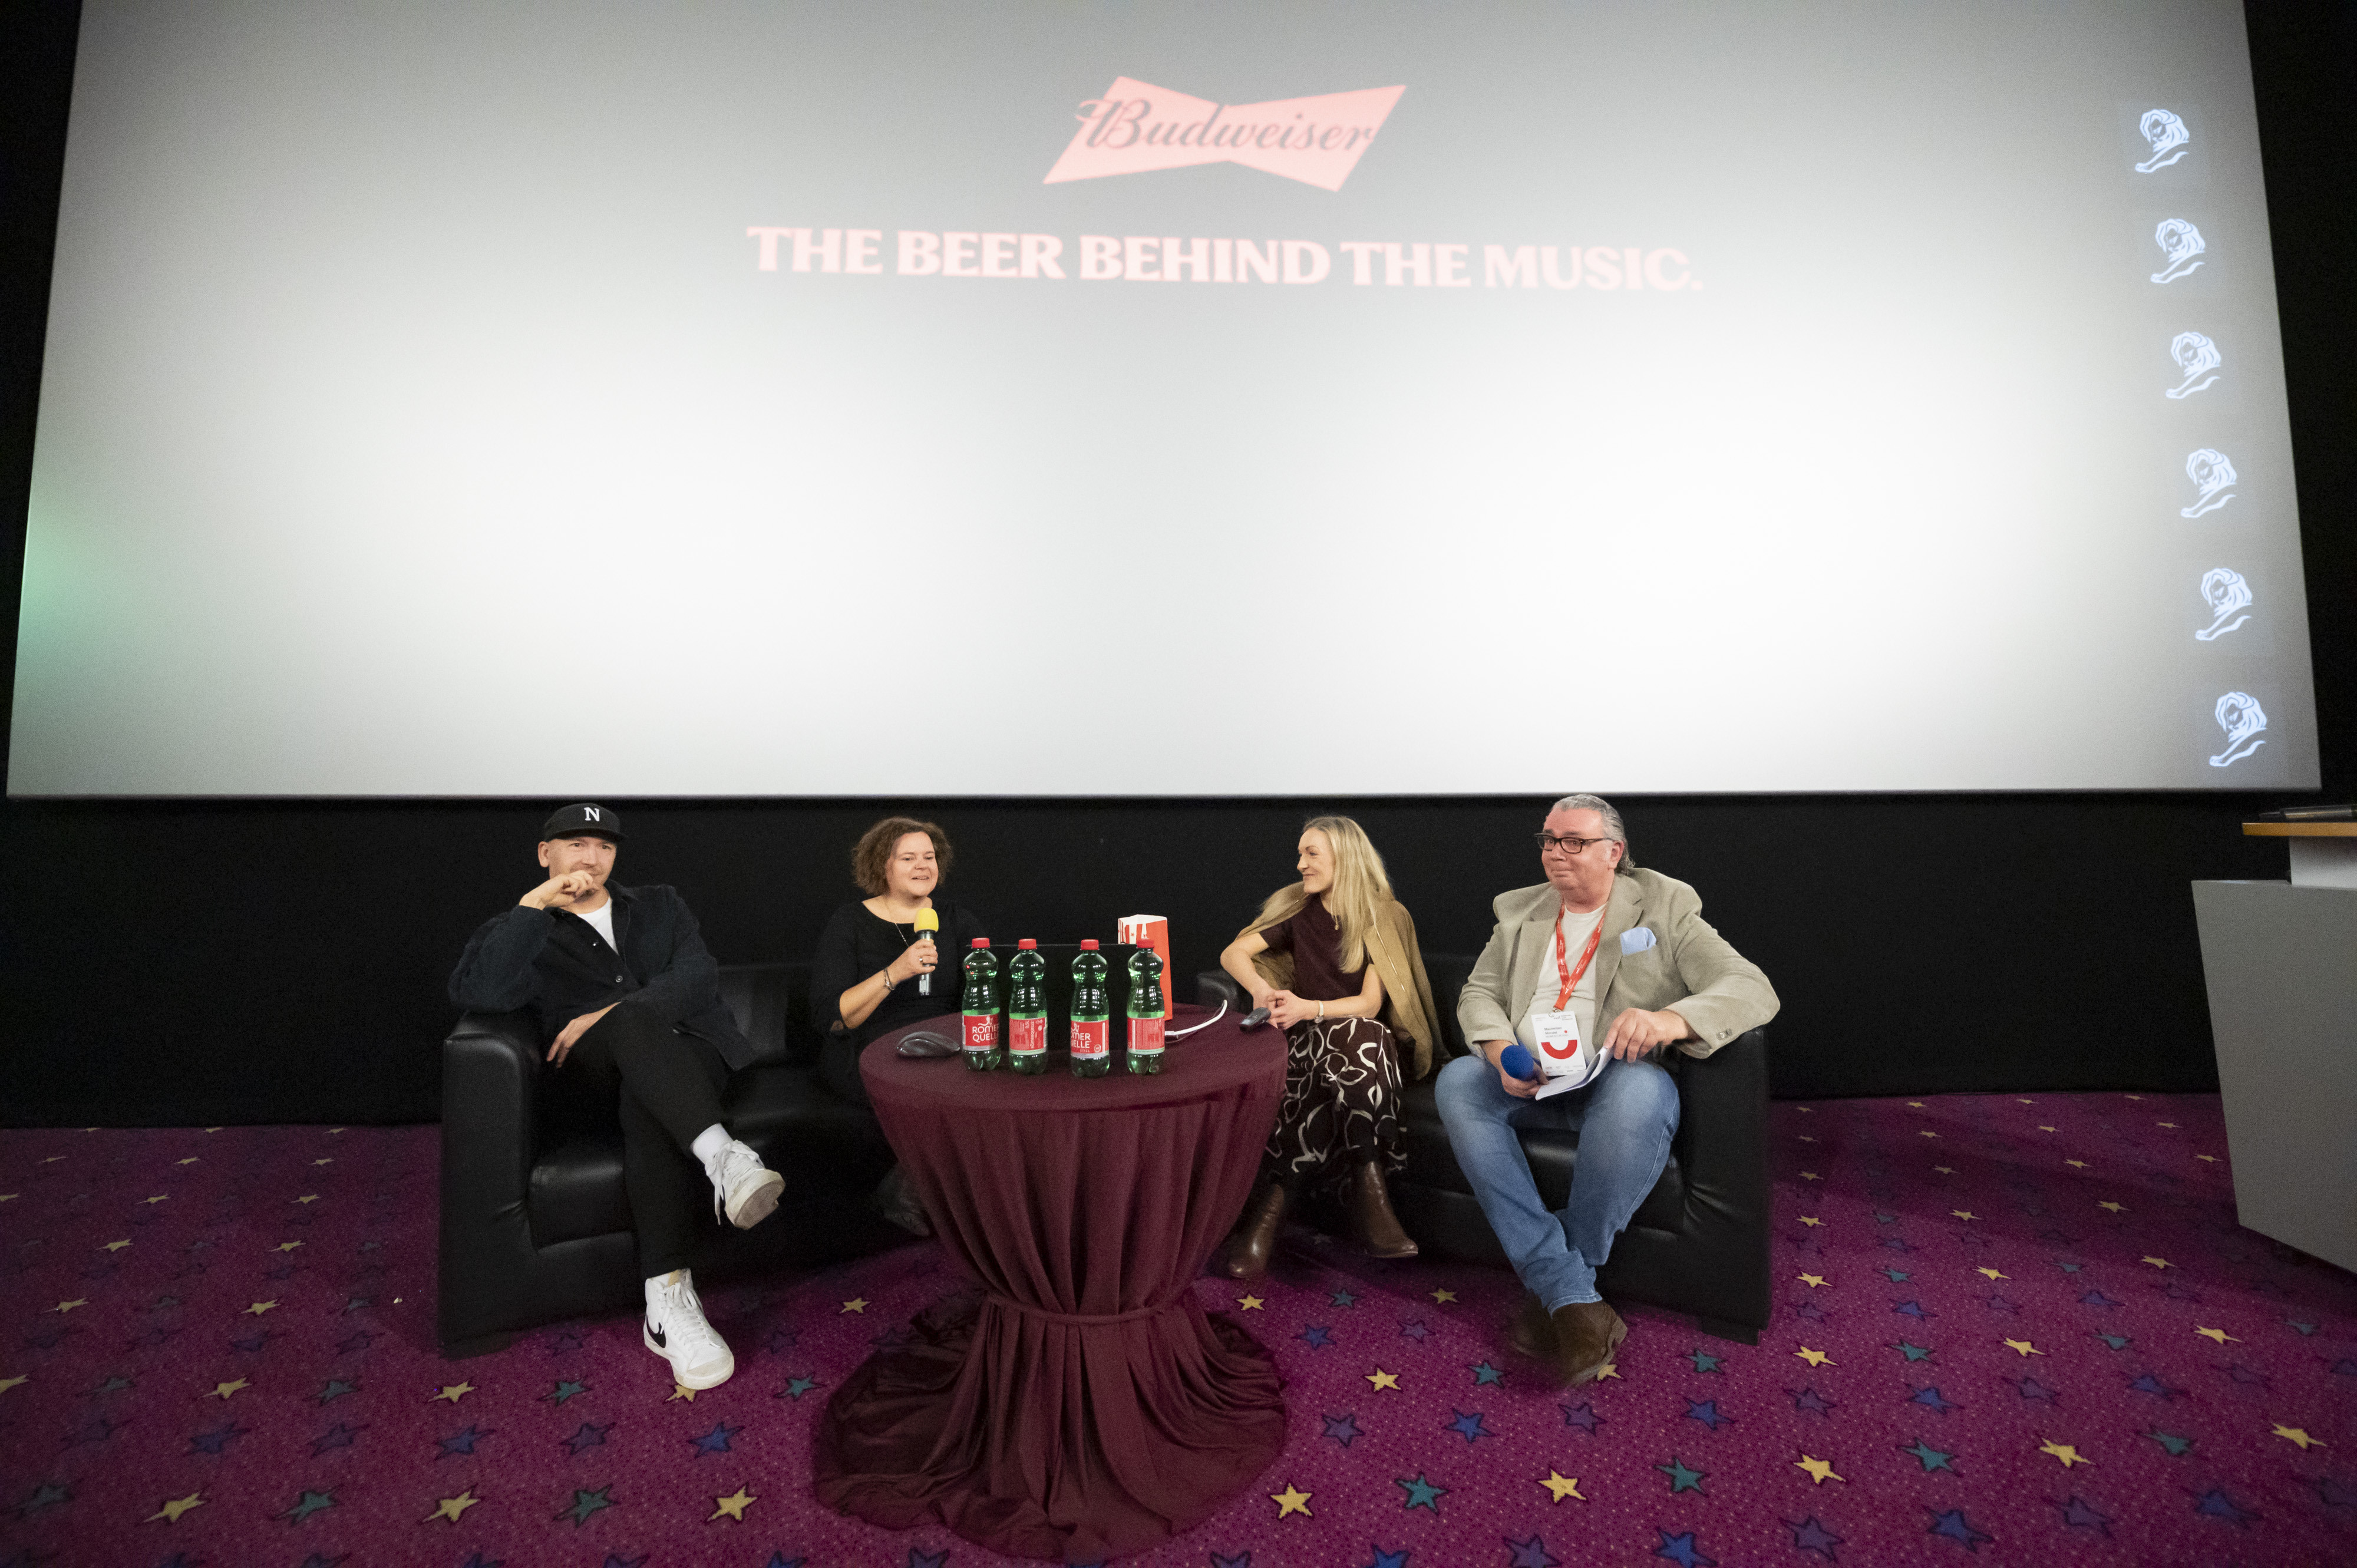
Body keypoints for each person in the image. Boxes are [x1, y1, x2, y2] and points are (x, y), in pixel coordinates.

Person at [1435, 794, 1777, 1387]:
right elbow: (1478, 992)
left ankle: (1560, 1287)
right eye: (1548, 839)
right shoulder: (1520, 912)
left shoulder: (1664, 906)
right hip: (1530, 1078)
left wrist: (1671, 1019)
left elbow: (1750, 986)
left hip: (1614, 1076)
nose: (1555, 852)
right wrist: (1500, 1050)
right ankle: (1571, 1295)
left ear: (1614, 852)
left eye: (1574, 841)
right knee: (1458, 1080)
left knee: (1642, 1092)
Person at [448, 804, 783, 1392]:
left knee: (646, 1098)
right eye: (576, 844)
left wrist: (615, 1012)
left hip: (696, 1052)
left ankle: (667, 1303)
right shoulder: (522, 926)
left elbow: (697, 976)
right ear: (544, 853)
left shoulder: (659, 904)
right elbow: (482, 992)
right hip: (593, 1072)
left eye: (604, 846)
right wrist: (535, 906)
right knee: (632, 1043)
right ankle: (725, 1158)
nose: (591, 857)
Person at [1217, 816, 1443, 1277]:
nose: (1301, 864)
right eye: (1300, 854)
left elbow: (1370, 1004)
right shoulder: (1297, 909)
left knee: (1360, 1035)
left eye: (1312, 853)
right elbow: (1233, 952)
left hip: (1362, 1045)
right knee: (1346, 1047)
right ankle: (1370, 1189)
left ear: (1345, 857)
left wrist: (1310, 1008)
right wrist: (1262, 990)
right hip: (1309, 1042)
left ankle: (1266, 1217)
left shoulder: (1385, 916)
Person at [810, 816, 986, 1234]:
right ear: (882, 867)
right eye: (908, 858)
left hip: (944, 1043)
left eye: (929, 857)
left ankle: (906, 1187)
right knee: (937, 1085)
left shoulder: (957, 920)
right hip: (870, 1046)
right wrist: (896, 972)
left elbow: (983, 994)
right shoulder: (850, 923)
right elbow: (834, 1016)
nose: (922, 865)